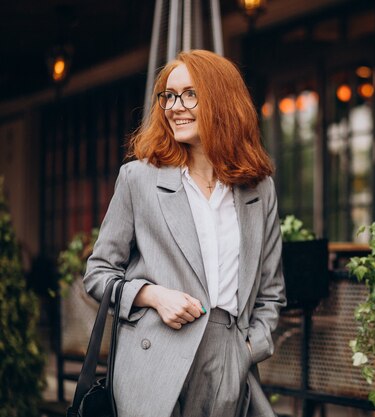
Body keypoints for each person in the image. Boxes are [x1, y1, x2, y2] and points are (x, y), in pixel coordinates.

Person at [83, 49, 285, 417]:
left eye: (189, 94)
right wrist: (152, 295)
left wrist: (247, 348)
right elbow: (98, 274)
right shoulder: (139, 179)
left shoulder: (259, 188)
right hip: (152, 360)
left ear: (223, 101)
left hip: (229, 357)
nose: (175, 106)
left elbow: (271, 293)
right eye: (169, 96)